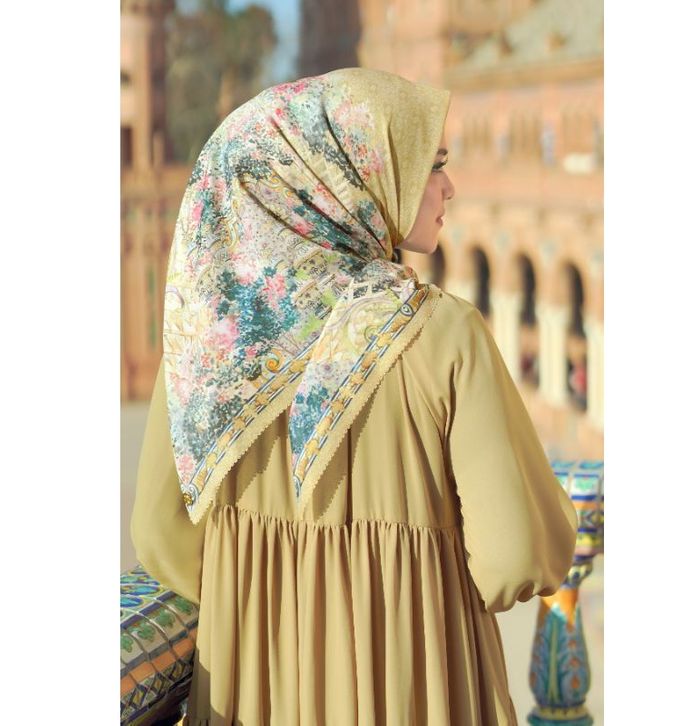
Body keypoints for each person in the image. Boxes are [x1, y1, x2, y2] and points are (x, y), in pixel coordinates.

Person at [131, 67, 578, 726]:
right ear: (348, 180)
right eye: (431, 164)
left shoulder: (205, 345)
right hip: (418, 690)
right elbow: (517, 557)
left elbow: (157, 533)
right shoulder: (445, 334)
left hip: (256, 690)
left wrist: (271, 594)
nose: (449, 186)